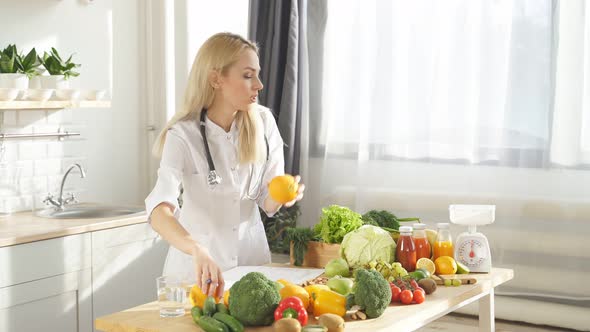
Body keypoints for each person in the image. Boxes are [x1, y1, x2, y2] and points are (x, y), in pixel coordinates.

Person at [145, 32, 305, 299]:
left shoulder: (264, 123)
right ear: (216, 79)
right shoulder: (184, 135)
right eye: (247, 75)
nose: (260, 85)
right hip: (196, 274)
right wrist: (196, 248)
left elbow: (266, 201)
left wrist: (280, 196)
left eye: (257, 74)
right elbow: (159, 210)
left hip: (251, 266)